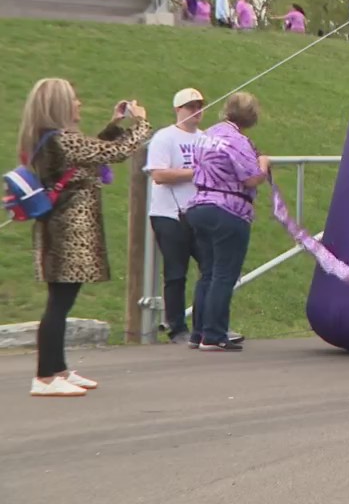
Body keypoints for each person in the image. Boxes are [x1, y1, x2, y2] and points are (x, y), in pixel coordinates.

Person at [19, 79, 151, 396]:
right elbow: (116, 152)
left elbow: (94, 153)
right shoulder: (62, 141)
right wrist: (142, 123)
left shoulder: (56, 141)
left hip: (64, 231)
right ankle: (44, 377)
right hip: (68, 234)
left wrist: (114, 124)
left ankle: (57, 369)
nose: (79, 104)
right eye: (74, 100)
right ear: (60, 106)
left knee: (61, 302)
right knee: (59, 304)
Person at [186, 92, 269, 352]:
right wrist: (264, 164)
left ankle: (198, 331)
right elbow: (251, 178)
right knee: (224, 273)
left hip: (199, 205)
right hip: (229, 209)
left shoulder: (205, 135)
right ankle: (214, 334)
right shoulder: (238, 141)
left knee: (207, 272)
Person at [145, 88, 205, 344]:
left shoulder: (206, 138)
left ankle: (207, 325)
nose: (196, 111)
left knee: (212, 268)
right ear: (178, 109)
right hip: (169, 214)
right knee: (176, 273)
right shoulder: (165, 138)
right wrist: (196, 173)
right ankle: (177, 327)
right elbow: (158, 174)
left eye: (199, 106)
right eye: (190, 106)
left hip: (200, 213)